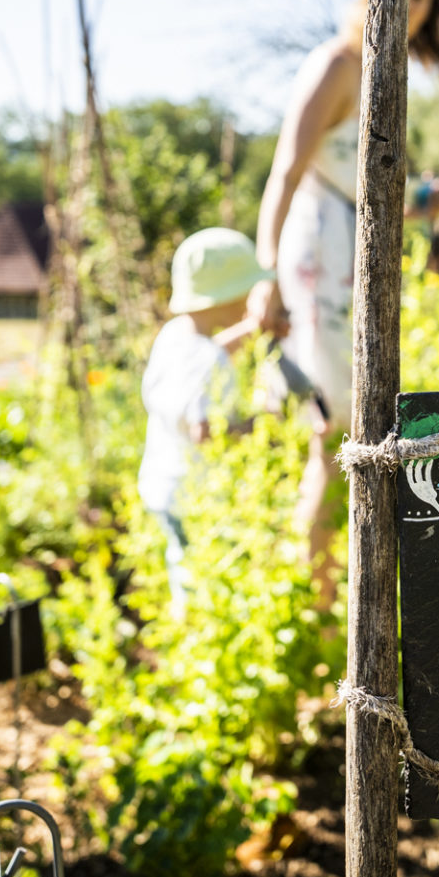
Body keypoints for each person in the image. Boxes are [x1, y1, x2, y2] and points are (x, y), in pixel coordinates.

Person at [247, 0, 439, 605]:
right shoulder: (337, 63)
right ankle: (315, 599)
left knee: (356, 424)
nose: (411, 5)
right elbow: (288, 170)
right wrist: (265, 275)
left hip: (358, 254)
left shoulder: (384, 72)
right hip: (317, 254)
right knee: (335, 430)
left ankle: (329, 595)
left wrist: (425, 201)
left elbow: (367, 184)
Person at [138, 227, 275, 612]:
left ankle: (190, 629)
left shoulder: (175, 336)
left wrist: (250, 331)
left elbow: (205, 357)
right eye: (245, 292)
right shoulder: (206, 358)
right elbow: (204, 430)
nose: (250, 302)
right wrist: (261, 423)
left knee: (180, 562)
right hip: (192, 492)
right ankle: (195, 630)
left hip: (162, 482)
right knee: (199, 577)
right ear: (225, 296)